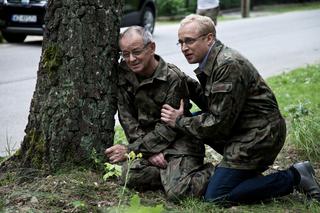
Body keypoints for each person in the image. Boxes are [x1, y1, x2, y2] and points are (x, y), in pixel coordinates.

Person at [160, 14, 320, 204]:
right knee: (193, 121)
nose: (184, 48)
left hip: (259, 136)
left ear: (209, 38)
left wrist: (178, 121)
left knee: (216, 197)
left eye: (189, 41)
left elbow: (218, 123)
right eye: (180, 43)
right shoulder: (211, 61)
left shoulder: (227, 64)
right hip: (243, 129)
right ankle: (239, 177)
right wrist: (183, 80)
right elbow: (217, 104)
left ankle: (295, 177)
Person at [104, 26, 214, 201]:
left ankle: (213, 172)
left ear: (151, 48)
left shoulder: (172, 78)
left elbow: (169, 128)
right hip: (149, 141)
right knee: (129, 176)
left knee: (178, 195)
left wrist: (133, 150)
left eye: (136, 52)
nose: (131, 59)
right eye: (125, 54)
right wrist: (149, 151)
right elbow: (128, 119)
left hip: (181, 141)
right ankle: (172, 174)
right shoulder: (124, 74)